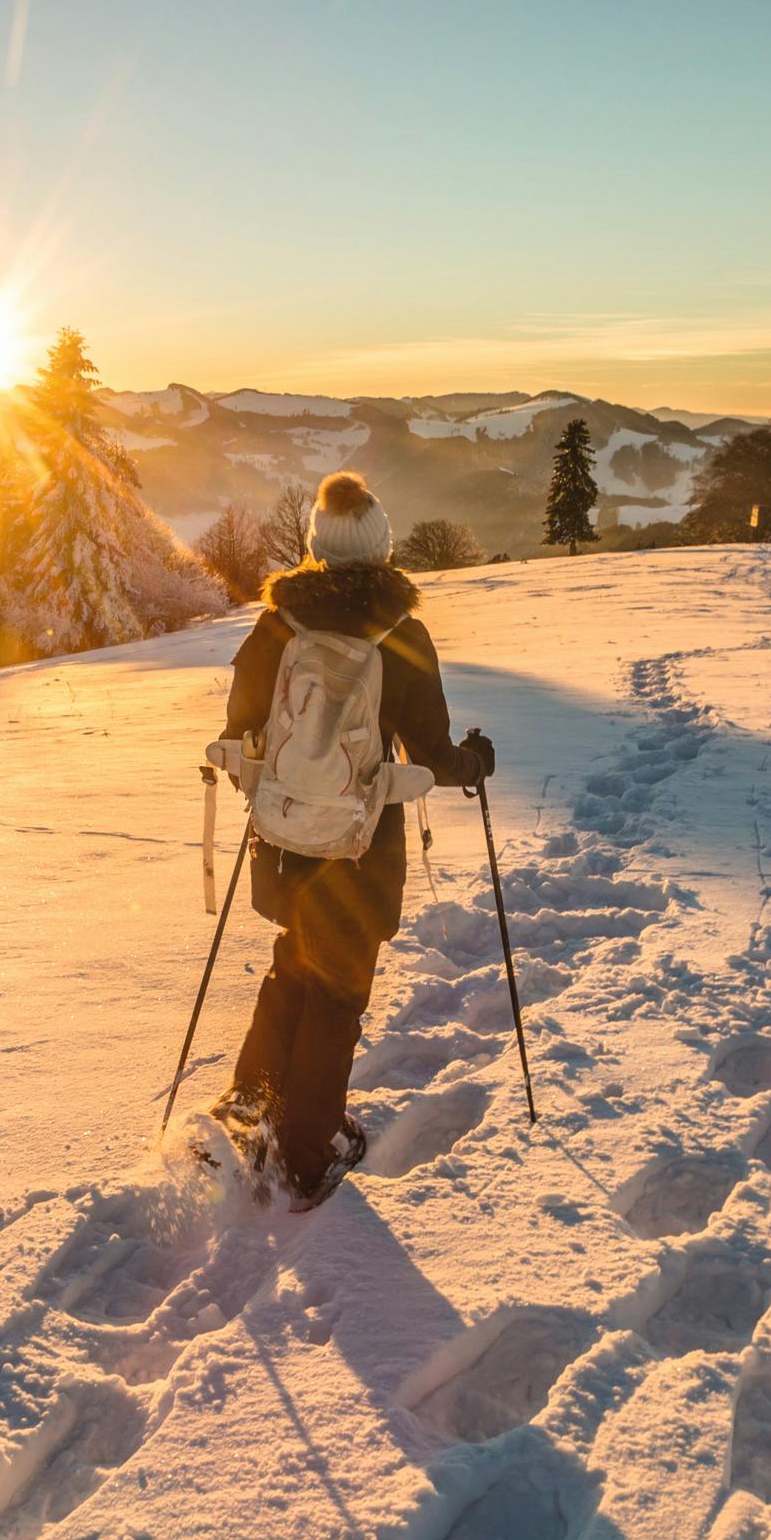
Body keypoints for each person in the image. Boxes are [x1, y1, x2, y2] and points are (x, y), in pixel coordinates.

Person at [215, 471, 494, 1205]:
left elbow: (239, 727)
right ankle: (309, 1151)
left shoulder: (277, 626)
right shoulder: (401, 633)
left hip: (282, 836)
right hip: (359, 845)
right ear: (382, 550)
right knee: (337, 993)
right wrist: (477, 761)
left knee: (291, 968)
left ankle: (249, 1108)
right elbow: (431, 756)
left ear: (316, 549)